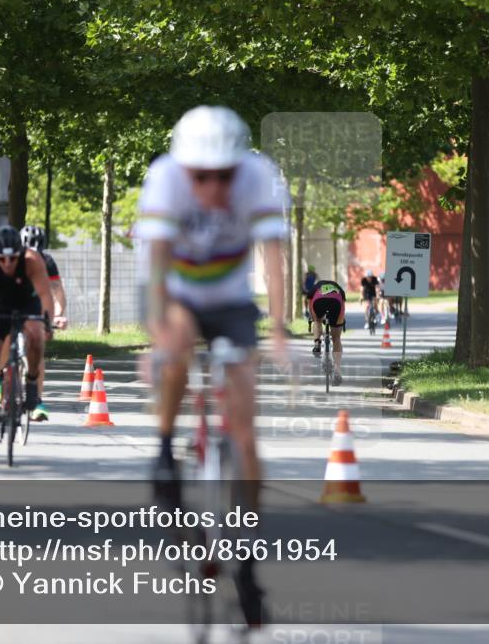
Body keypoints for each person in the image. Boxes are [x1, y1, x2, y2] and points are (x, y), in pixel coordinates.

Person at [135, 105, 288, 628]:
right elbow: (154, 268)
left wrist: (282, 330)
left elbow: (272, 255)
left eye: (224, 175)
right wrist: (157, 338)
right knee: (174, 341)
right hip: (177, 289)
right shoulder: (164, 181)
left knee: (245, 432)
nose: (214, 186)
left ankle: (246, 563)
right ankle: (162, 451)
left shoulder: (259, 177)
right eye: (202, 176)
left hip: (230, 298)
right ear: (184, 170)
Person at [0, 226, 54, 443]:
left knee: (36, 335)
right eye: (2, 259)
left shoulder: (32, 260)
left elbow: (46, 297)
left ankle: (32, 383)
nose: (7, 264)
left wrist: (48, 324)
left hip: (27, 304)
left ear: (21, 252)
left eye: (13, 259)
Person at [20, 225, 68, 421]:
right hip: (13, 303)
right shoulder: (12, 259)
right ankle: (2, 379)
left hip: (36, 308)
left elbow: (57, 291)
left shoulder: (48, 262)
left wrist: (58, 314)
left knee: (37, 351)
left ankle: (36, 399)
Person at [308, 279, 346, 385]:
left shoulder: (316, 287)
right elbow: (342, 308)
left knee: (317, 321)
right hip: (336, 303)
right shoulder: (338, 288)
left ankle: (317, 343)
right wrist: (339, 324)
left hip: (318, 301)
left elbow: (310, 304)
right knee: (337, 339)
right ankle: (337, 371)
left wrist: (315, 319)